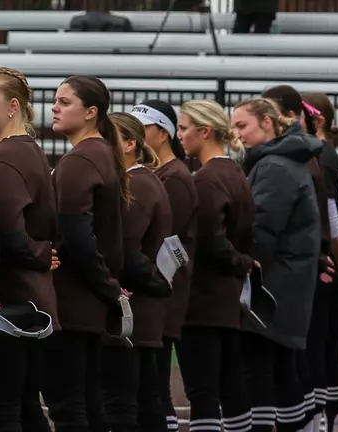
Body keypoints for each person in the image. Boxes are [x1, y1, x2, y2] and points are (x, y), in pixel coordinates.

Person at [0, 66, 58, 432]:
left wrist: (38, 255)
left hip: (11, 304)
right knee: (22, 407)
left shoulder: (4, 157)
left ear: (12, 106)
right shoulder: (30, 150)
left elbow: (9, 234)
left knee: (0, 411)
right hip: (33, 300)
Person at [231, 97, 322, 432]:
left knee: (261, 372)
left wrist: (237, 264)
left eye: (243, 125)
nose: (237, 134)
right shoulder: (284, 160)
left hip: (272, 285)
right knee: (281, 370)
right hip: (287, 282)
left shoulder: (274, 166)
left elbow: (262, 230)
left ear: (267, 123)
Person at [45, 75, 130, 432]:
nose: (54, 107)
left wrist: (107, 287)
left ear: (91, 112)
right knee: (87, 401)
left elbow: (78, 236)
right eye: (55, 100)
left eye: (65, 102)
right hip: (89, 301)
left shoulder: (82, 158)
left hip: (75, 301)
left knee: (68, 407)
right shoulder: (101, 153)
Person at [177, 99, 254, 432]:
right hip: (229, 300)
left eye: (183, 128)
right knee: (231, 386)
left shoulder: (207, 179)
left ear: (205, 131)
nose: (178, 135)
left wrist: (242, 263)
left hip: (204, 301)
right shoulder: (235, 173)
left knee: (204, 390)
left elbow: (210, 243)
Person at [261, 85, 330, 429]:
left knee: (290, 365)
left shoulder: (287, 162)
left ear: (288, 118)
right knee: (295, 363)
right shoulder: (302, 157)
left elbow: (267, 228)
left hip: (289, 275)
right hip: (301, 270)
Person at [130, 99, 198, 432]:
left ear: (161, 133)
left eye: (141, 129)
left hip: (162, 288)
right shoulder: (159, 173)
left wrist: (157, 278)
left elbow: (171, 242)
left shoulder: (175, 177)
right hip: (155, 285)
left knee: (154, 385)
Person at [104, 112, 172, 432]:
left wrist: (157, 283)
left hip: (134, 310)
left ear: (131, 144)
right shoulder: (141, 179)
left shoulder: (137, 184)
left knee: (124, 403)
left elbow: (125, 251)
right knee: (142, 400)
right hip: (142, 307)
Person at [302, 92, 338, 432]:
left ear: (315, 119)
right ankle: (329, 423)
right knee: (326, 345)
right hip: (333, 262)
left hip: (323, 264)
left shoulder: (320, 155)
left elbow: (336, 219)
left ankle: (322, 423)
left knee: (316, 348)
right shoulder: (329, 156)